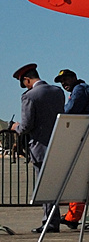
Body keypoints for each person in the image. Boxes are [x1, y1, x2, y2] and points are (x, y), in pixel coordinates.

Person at [11, 63, 65, 233]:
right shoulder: (58, 92)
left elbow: (27, 125)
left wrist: (15, 128)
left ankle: (49, 222)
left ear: (26, 80)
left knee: (44, 186)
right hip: (57, 145)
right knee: (54, 185)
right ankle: (53, 220)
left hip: (40, 147)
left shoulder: (29, 96)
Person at [55, 69, 89, 229]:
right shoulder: (86, 89)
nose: (64, 83)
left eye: (65, 79)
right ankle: (86, 218)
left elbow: (70, 111)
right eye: (61, 81)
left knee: (85, 176)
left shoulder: (79, 90)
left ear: (74, 78)